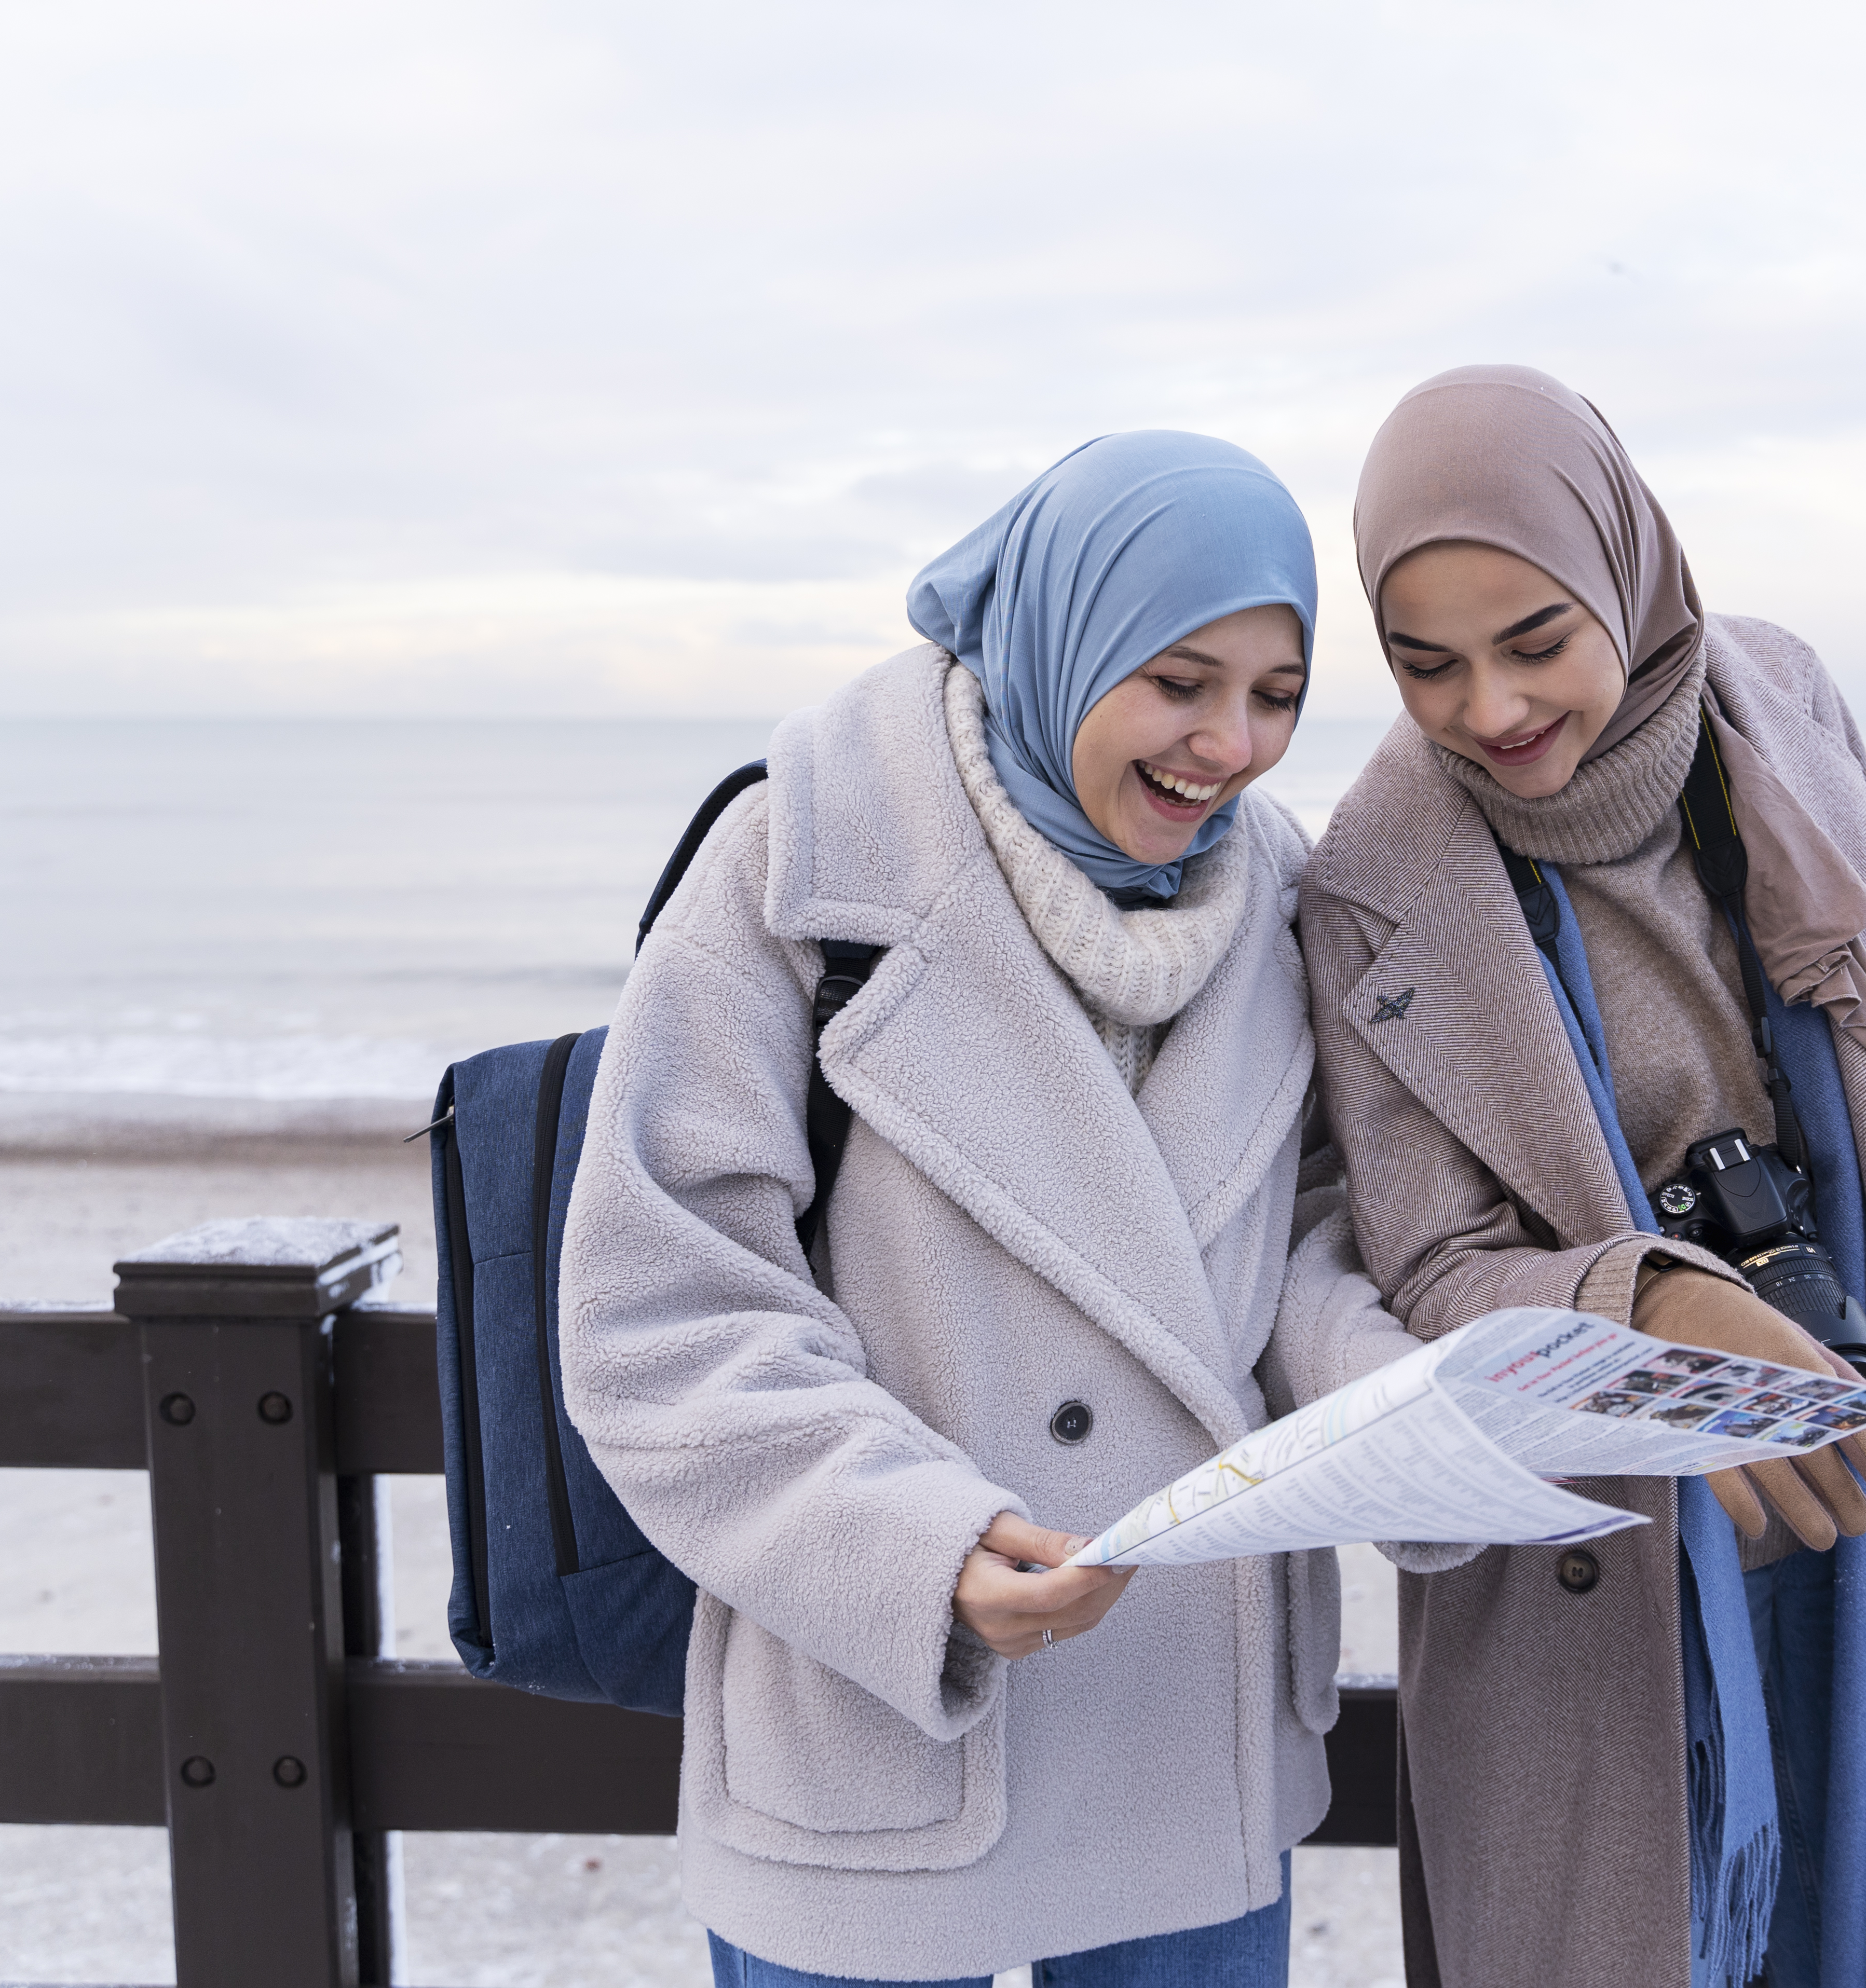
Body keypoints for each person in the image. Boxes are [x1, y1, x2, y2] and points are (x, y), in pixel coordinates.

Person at [1297, 367, 1866, 1988]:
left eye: (1534, 640)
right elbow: (1428, 1262)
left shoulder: (1785, 709)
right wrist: (1657, 1302)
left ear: (1626, 568)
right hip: (1620, 1532)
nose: (1490, 709)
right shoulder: (1369, 882)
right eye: (1427, 666)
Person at [560, 431, 1421, 1987]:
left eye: (1276, 694)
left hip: (1186, 1726)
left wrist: (1406, 1418)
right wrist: (917, 1553)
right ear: (1061, 633)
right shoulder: (798, 863)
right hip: (889, 1705)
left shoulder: (1279, 890)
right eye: (1177, 681)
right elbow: (664, 1313)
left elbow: (1295, 1243)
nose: (1228, 745)